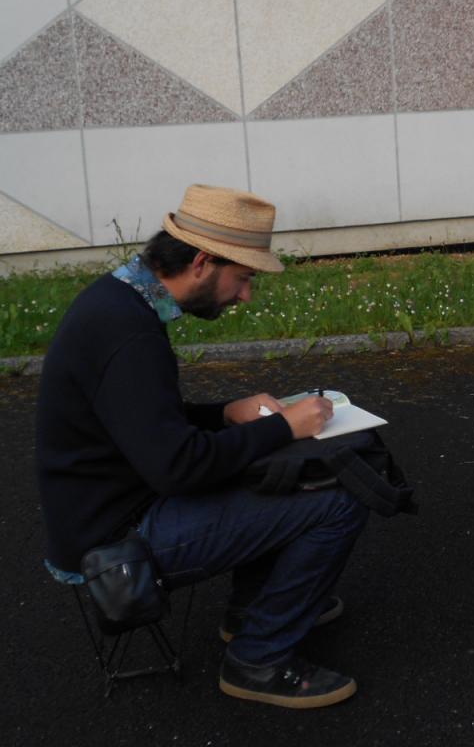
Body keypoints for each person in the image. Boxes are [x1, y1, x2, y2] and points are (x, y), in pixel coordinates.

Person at [36, 184, 368, 709]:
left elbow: (139, 423)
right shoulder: (130, 334)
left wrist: (224, 414)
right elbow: (178, 469)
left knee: (282, 467)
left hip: (110, 506)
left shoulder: (118, 302)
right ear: (201, 262)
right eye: (243, 278)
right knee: (338, 500)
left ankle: (252, 612)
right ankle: (258, 659)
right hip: (115, 539)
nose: (245, 296)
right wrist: (286, 428)